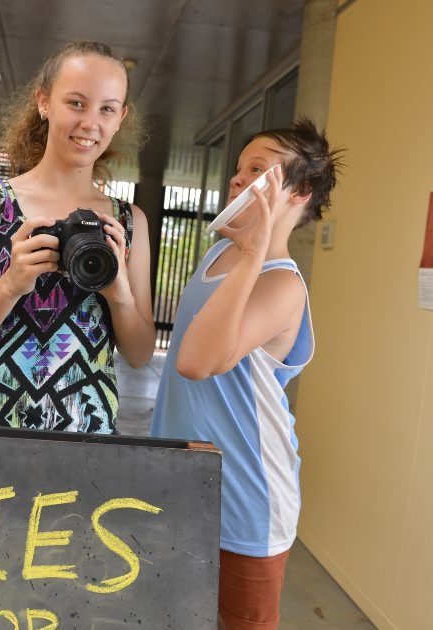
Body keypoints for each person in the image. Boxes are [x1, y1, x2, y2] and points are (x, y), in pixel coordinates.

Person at [149, 118, 343, 630]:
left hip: (244, 502)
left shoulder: (282, 286)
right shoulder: (219, 255)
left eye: (257, 170)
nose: (237, 180)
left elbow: (195, 362)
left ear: (298, 192)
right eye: (238, 169)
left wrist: (256, 251)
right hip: (181, 487)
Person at [0, 41, 155, 434]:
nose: (91, 122)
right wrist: (10, 285)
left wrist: (120, 296)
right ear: (44, 102)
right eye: (76, 103)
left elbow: (140, 354)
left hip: (90, 444)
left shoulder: (129, 222)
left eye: (107, 108)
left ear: (120, 117)